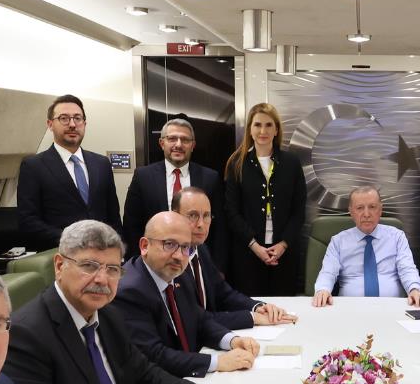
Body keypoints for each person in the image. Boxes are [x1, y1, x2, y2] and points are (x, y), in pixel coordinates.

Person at [4, 220, 233, 384]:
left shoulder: (107, 313)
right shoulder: (27, 334)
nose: (102, 280)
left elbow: (143, 371)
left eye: (112, 269)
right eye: (89, 266)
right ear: (59, 265)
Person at [111, 211, 261, 378]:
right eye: (169, 244)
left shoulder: (178, 274)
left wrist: (232, 340)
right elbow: (154, 355)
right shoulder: (129, 292)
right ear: (145, 246)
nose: (178, 256)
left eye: (185, 247)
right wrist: (216, 362)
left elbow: (199, 319)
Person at [173, 186, 295, 329]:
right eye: (193, 215)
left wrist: (258, 307)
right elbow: (195, 319)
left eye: (206, 215)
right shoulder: (171, 260)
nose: (201, 224)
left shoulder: (201, 249)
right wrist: (252, 318)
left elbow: (224, 294)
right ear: (174, 215)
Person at [223, 103, 308, 296]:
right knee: (254, 308)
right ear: (250, 129)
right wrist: (254, 245)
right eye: (258, 125)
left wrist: (283, 244)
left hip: (284, 255)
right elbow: (231, 212)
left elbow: (299, 210)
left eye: (269, 125)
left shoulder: (291, 163)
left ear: (276, 130)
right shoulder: (237, 164)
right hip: (248, 254)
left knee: (285, 308)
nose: (263, 131)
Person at [17, 94, 122, 250]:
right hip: (59, 253)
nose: (72, 124)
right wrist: (73, 240)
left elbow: (113, 215)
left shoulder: (101, 164)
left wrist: (117, 250)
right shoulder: (33, 166)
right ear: (50, 124)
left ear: (84, 123)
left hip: (102, 252)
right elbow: (28, 221)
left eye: (77, 118)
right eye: (64, 118)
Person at [122, 117, 225, 266]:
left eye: (185, 140)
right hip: (155, 263)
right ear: (162, 143)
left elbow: (220, 228)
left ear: (193, 145)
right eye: (172, 139)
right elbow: (131, 225)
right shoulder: (143, 177)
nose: (178, 144)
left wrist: (218, 268)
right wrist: (138, 264)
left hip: (198, 263)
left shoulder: (210, 178)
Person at [312, 186, 420, 308]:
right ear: (351, 212)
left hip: (393, 307)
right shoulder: (338, 241)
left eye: (372, 207)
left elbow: (407, 268)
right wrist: (323, 289)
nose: (366, 214)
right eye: (359, 208)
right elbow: (328, 272)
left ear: (380, 209)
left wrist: (414, 289)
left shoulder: (397, 237)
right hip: (349, 308)